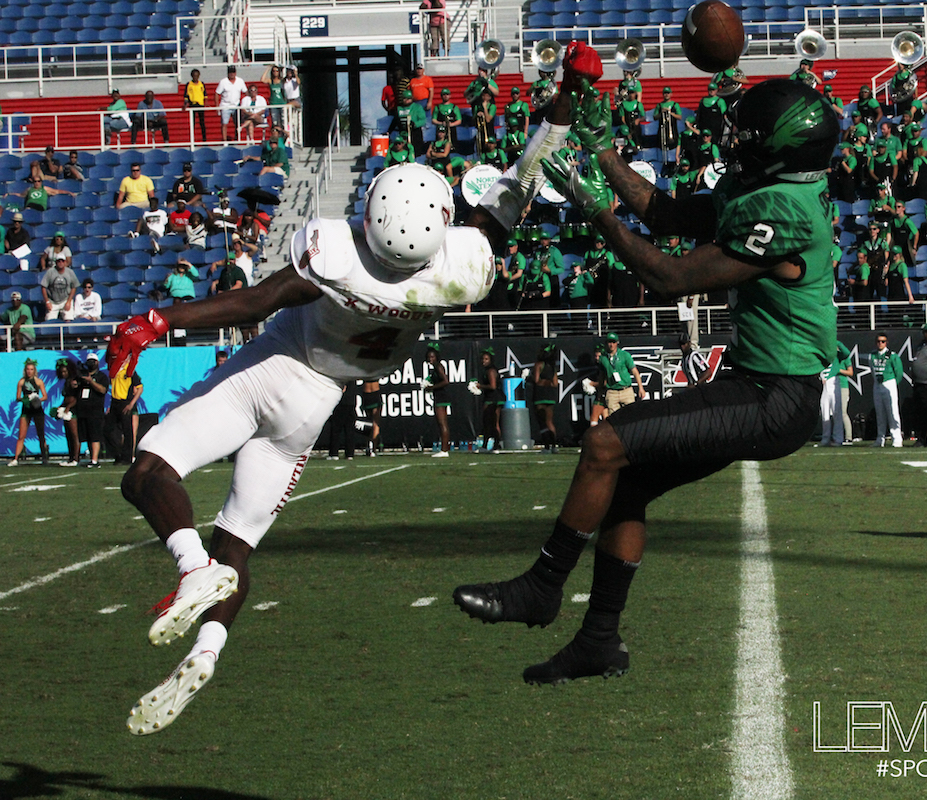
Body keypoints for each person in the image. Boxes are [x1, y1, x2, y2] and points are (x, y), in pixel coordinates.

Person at [109, 43, 596, 733]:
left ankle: (190, 568)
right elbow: (525, 173)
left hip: (277, 367)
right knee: (239, 544)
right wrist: (569, 96)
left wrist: (160, 319)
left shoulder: (337, 255)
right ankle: (211, 647)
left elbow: (255, 303)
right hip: (318, 406)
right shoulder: (462, 270)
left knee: (149, 471)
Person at [453, 76, 841, 684]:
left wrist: (593, 208)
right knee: (626, 484)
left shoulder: (785, 211)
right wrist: (606, 152)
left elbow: (669, 278)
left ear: (779, 149)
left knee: (606, 443)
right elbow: (661, 212)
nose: (735, 138)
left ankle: (542, 586)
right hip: (758, 384)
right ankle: (598, 641)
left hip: (776, 397)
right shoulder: (769, 186)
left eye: (751, 134)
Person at [9, 358, 49, 466]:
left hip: (37, 410)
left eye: (31, 369)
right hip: (26, 410)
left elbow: (45, 396)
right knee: (21, 435)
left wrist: (37, 399)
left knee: (41, 434)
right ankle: (16, 458)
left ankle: (44, 457)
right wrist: (25, 399)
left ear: (34, 370)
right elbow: (18, 397)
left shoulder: (39, 381)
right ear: (25, 370)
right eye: (27, 369)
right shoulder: (21, 382)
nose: (29, 371)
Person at [870, 332, 903, 448]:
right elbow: (872, 370)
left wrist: (893, 383)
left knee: (892, 411)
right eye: (878, 341)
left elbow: (899, 372)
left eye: (883, 341)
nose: (880, 343)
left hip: (889, 383)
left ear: (886, 342)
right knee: (879, 412)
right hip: (877, 384)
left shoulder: (892, 355)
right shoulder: (872, 355)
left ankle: (897, 438)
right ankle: (880, 438)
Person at [105, 364, 142, 465]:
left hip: (125, 402)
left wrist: (131, 404)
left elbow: (139, 388)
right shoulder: (114, 370)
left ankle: (127, 458)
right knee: (107, 429)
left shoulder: (130, 371)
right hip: (114, 402)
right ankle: (117, 454)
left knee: (127, 431)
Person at [76, 353, 108, 468]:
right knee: (87, 436)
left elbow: (102, 390)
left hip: (95, 410)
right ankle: (91, 458)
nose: (90, 364)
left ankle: (95, 460)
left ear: (97, 363)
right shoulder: (82, 375)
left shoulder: (102, 376)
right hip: (83, 410)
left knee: (95, 436)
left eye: (93, 361)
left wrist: (91, 381)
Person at [421, 342, 452, 457]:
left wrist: (431, 387)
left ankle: (444, 450)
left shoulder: (438, 366)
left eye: (432, 357)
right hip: (439, 396)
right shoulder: (435, 367)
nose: (430, 359)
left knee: (442, 423)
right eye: (429, 357)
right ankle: (444, 448)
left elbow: (446, 381)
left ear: (437, 357)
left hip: (441, 396)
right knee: (441, 423)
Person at [532, 343, 559, 453]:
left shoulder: (539, 364)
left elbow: (536, 381)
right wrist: (549, 382)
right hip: (550, 396)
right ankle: (554, 446)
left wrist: (529, 377)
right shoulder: (552, 367)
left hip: (540, 395)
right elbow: (555, 383)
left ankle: (547, 446)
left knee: (542, 422)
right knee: (549, 421)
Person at [54, 357, 81, 467]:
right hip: (66, 409)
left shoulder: (73, 381)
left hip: (72, 411)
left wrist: (68, 407)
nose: (64, 373)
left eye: (65, 371)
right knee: (69, 435)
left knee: (75, 435)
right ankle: (71, 457)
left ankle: (76, 458)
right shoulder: (66, 382)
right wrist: (60, 407)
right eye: (62, 372)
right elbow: (66, 398)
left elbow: (75, 398)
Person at [40, 256, 79, 321]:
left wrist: (69, 301)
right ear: (56, 262)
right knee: (49, 321)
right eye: (59, 261)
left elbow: (74, 286)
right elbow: (43, 286)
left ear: (65, 262)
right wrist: (47, 301)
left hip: (65, 300)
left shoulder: (70, 272)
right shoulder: (50, 272)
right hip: (53, 301)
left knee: (68, 319)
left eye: (62, 261)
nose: (60, 263)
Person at [215, 66, 248, 141]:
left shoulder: (240, 81)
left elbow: (245, 92)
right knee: (224, 123)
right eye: (230, 72)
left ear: (235, 73)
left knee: (237, 123)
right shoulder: (223, 82)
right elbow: (217, 93)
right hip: (225, 105)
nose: (232, 74)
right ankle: (224, 140)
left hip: (236, 105)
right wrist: (217, 107)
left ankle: (237, 139)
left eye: (233, 72)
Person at [8, 177, 74, 212]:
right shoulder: (29, 189)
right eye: (35, 181)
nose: (37, 183)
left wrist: (69, 192)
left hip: (39, 206)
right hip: (29, 206)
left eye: (38, 181)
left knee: (29, 208)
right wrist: (9, 194)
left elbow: (57, 191)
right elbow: (21, 195)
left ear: (41, 182)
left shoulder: (44, 189)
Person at [184, 68, 208, 141]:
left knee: (202, 123)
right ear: (192, 76)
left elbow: (205, 94)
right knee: (193, 123)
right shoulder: (189, 84)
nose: (195, 77)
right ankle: (192, 139)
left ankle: (204, 139)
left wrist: (206, 102)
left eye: (197, 76)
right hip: (193, 104)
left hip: (200, 104)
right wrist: (185, 103)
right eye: (194, 76)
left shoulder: (201, 84)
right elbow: (186, 96)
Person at [261, 64, 286, 129]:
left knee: (284, 121)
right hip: (274, 103)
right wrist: (268, 68)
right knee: (275, 122)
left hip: (282, 103)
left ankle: (284, 135)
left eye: (277, 71)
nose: (275, 72)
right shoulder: (270, 80)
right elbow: (262, 79)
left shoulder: (282, 81)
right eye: (274, 71)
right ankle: (277, 135)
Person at [361, 378, 382, 456]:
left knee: (368, 423)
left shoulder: (366, 372)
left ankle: (368, 446)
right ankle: (373, 449)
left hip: (366, 394)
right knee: (375, 424)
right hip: (375, 393)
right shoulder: (375, 371)